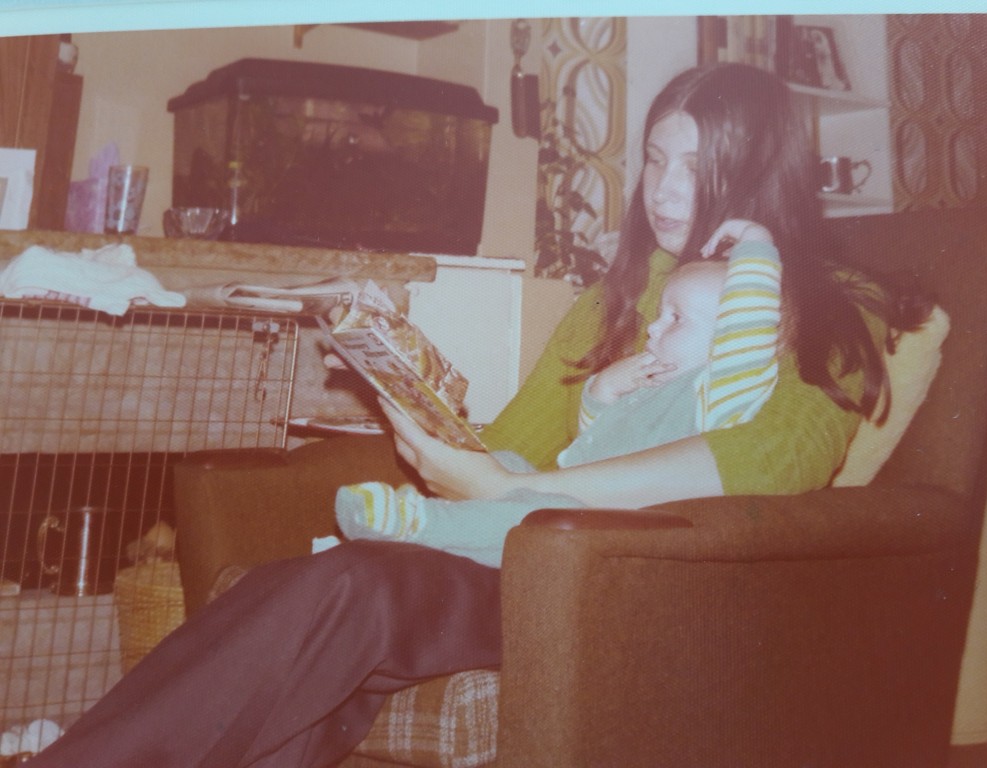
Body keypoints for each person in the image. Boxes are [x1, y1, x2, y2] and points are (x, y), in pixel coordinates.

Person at [26, 62, 923, 768]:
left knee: (357, 590)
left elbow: (772, 463)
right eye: (652, 158)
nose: (664, 187)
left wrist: (517, 489)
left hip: (642, 587)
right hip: (529, 555)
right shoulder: (612, 300)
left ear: (757, 170)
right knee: (339, 591)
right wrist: (405, 392)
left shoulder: (834, 302)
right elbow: (508, 444)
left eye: (696, 164)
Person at [335, 241, 782, 567]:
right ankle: (443, 520)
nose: (653, 328)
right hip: (565, 490)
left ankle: (423, 526)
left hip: (607, 530)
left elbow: (751, 324)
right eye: (660, 313)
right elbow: (595, 440)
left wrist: (755, 247)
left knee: (527, 520)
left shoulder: (719, 389)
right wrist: (602, 392)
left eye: (677, 318)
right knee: (507, 462)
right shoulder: (649, 379)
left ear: (727, 338)